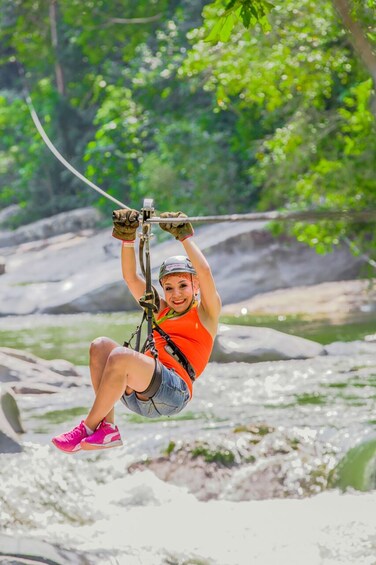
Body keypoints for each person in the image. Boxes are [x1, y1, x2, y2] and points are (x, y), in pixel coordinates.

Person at [52, 209, 221, 452]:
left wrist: (184, 236)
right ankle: (106, 429)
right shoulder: (161, 309)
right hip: (141, 390)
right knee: (100, 346)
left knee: (121, 356)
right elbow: (131, 277)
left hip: (173, 392)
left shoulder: (207, 313)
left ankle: (86, 427)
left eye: (183, 285)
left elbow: (204, 271)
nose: (176, 294)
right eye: (169, 288)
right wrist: (127, 238)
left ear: (195, 286)